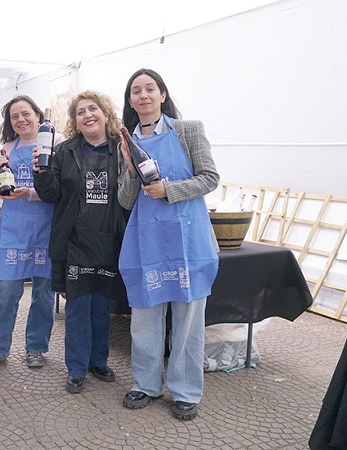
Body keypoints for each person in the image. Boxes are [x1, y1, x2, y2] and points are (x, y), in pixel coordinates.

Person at [116, 68, 220, 421]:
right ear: (130, 101)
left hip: (188, 239)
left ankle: (186, 390)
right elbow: (126, 200)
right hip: (147, 240)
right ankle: (146, 384)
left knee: (188, 318)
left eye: (150, 88)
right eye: (135, 91)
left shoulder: (188, 130)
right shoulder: (127, 140)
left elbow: (210, 178)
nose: (143, 95)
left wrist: (169, 191)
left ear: (162, 94)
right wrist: (130, 167)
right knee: (145, 315)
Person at [32, 91, 129, 393]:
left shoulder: (121, 148)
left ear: (105, 113)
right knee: (77, 308)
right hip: (75, 242)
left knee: (102, 306)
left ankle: (97, 361)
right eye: (80, 112)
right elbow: (50, 195)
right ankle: (76, 368)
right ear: (74, 121)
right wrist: (41, 173)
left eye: (93, 109)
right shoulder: (64, 151)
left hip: (109, 239)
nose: (88, 115)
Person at [0, 95, 64, 370]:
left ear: (37, 115)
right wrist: (0, 177)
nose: (21, 120)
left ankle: (36, 348)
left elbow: (60, 187)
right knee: (6, 290)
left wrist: (30, 192)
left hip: (45, 227)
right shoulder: (7, 147)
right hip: (14, 228)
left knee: (43, 291)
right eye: (15, 117)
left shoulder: (56, 144)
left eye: (25, 113)